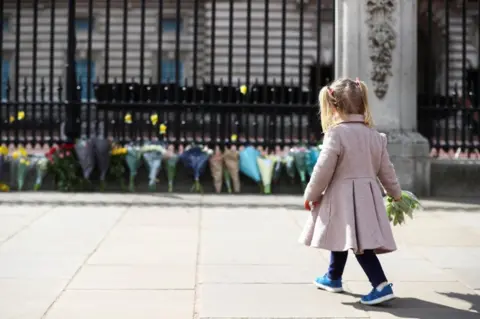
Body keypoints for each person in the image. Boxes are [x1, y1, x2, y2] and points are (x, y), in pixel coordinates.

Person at [298, 77, 402, 306]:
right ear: (363, 103)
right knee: (344, 235)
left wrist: (311, 195)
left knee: (360, 245)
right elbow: (387, 171)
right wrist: (396, 194)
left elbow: (322, 170)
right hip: (369, 196)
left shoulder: (336, 134)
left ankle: (381, 285)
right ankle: (333, 277)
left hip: (343, 196)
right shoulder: (376, 137)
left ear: (333, 107)